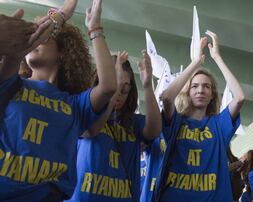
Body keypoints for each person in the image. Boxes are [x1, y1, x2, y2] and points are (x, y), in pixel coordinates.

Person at [0, 0, 117, 200]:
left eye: (47, 37)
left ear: (62, 53)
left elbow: (107, 87)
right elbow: (15, 54)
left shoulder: (74, 104)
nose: (38, 39)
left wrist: (95, 28)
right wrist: (61, 15)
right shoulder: (12, 83)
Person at [154, 30, 245, 201]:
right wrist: (195, 63)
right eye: (194, 86)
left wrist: (217, 57)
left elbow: (240, 97)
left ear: (212, 94)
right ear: (187, 92)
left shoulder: (219, 125)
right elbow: (166, 97)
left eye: (206, 86)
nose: (200, 90)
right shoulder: (176, 121)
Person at [67, 51, 161, 201]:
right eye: (115, 86)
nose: (119, 93)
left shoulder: (132, 122)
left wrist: (148, 86)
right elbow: (90, 130)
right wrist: (112, 90)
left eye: (125, 89)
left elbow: (154, 130)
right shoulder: (84, 111)